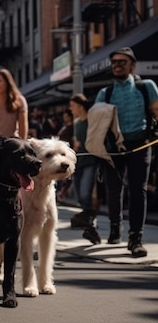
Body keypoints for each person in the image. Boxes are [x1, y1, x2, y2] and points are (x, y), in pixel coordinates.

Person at [94, 47, 158, 257]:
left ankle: (135, 238)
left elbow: (156, 110)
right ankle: (115, 228)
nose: (117, 65)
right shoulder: (105, 93)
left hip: (141, 144)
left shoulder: (146, 86)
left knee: (138, 190)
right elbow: (97, 124)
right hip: (114, 148)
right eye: (114, 62)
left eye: (122, 62)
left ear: (132, 65)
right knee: (114, 189)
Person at [67, 94, 100, 244]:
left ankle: (90, 218)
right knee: (79, 193)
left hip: (91, 160)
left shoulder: (91, 120)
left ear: (80, 106)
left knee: (86, 191)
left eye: (72, 106)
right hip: (78, 160)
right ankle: (89, 218)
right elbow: (77, 141)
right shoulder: (76, 122)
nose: (71, 109)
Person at [56, 109, 75, 201]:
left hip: (68, 153)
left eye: (66, 116)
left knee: (68, 176)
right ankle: (60, 193)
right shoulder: (65, 127)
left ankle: (62, 193)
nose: (65, 118)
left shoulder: (73, 127)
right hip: (60, 152)